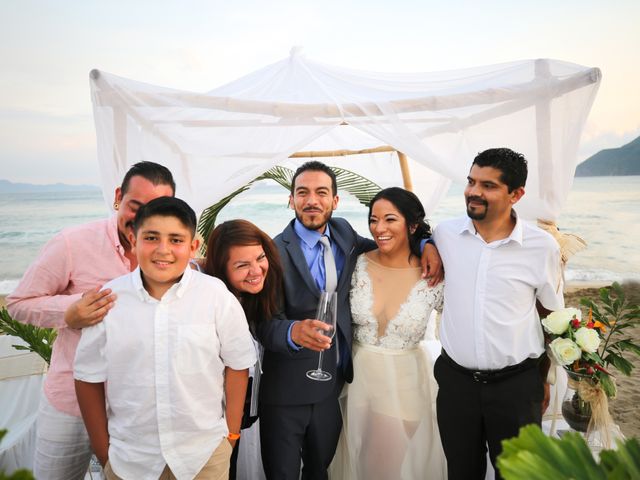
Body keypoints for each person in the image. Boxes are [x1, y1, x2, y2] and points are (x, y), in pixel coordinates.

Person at [255, 161, 443, 479]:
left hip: (339, 386)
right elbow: (262, 322)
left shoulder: (345, 235)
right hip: (290, 390)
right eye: (302, 192)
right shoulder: (273, 252)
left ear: (335, 201)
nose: (312, 200)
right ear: (291, 200)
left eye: (321, 192)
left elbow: (390, 247)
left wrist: (428, 244)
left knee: (333, 469)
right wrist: (292, 331)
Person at [6, 161, 175, 480]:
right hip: (70, 404)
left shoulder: (170, 256)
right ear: (117, 198)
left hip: (135, 409)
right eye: (134, 206)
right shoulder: (72, 243)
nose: (141, 219)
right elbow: (18, 303)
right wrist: (70, 312)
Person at [74, 196, 256, 480]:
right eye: (151, 237)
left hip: (203, 456)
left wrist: (231, 435)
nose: (163, 250)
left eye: (176, 240)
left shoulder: (215, 295)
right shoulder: (109, 300)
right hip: (131, 460)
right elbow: (88, 378)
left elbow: (238, 365)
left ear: (193, 246)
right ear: (133, 240)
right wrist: (103, 451)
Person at [432, 148, 564, 479]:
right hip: (455, 383)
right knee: (461, 472)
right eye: (471, 181)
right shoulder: (444, 235)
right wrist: (425, 244)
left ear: (516, 194)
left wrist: (543, 378)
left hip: (516, 387)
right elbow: (412, 234)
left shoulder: (541, 246)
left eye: (488, 185)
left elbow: (552, 315)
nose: (474, 192)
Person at [333, 187, 447, 479]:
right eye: (373, 219)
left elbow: (459, 325)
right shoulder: (357, 262)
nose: (379, 228)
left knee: (380, 467)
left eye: (390, 220)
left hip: (404, 384)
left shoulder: (435, 274)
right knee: (350, 464)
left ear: (412, 225)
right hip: (353, 381)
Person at [203, 219, 284, 480]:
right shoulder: (212, 308)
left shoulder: (252, 298)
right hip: (216, 428)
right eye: (242, 265)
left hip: (243, 422)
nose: (256, 270)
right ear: (221, 270)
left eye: (259, 258)